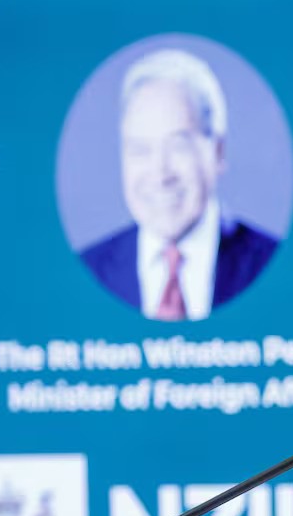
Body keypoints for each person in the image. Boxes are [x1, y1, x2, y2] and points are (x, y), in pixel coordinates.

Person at [80, 48, 278, 320]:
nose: (160, 174)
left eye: (178, 146)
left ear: (218, 153)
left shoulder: (271, 265)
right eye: (140, 149)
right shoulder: (90, 269)